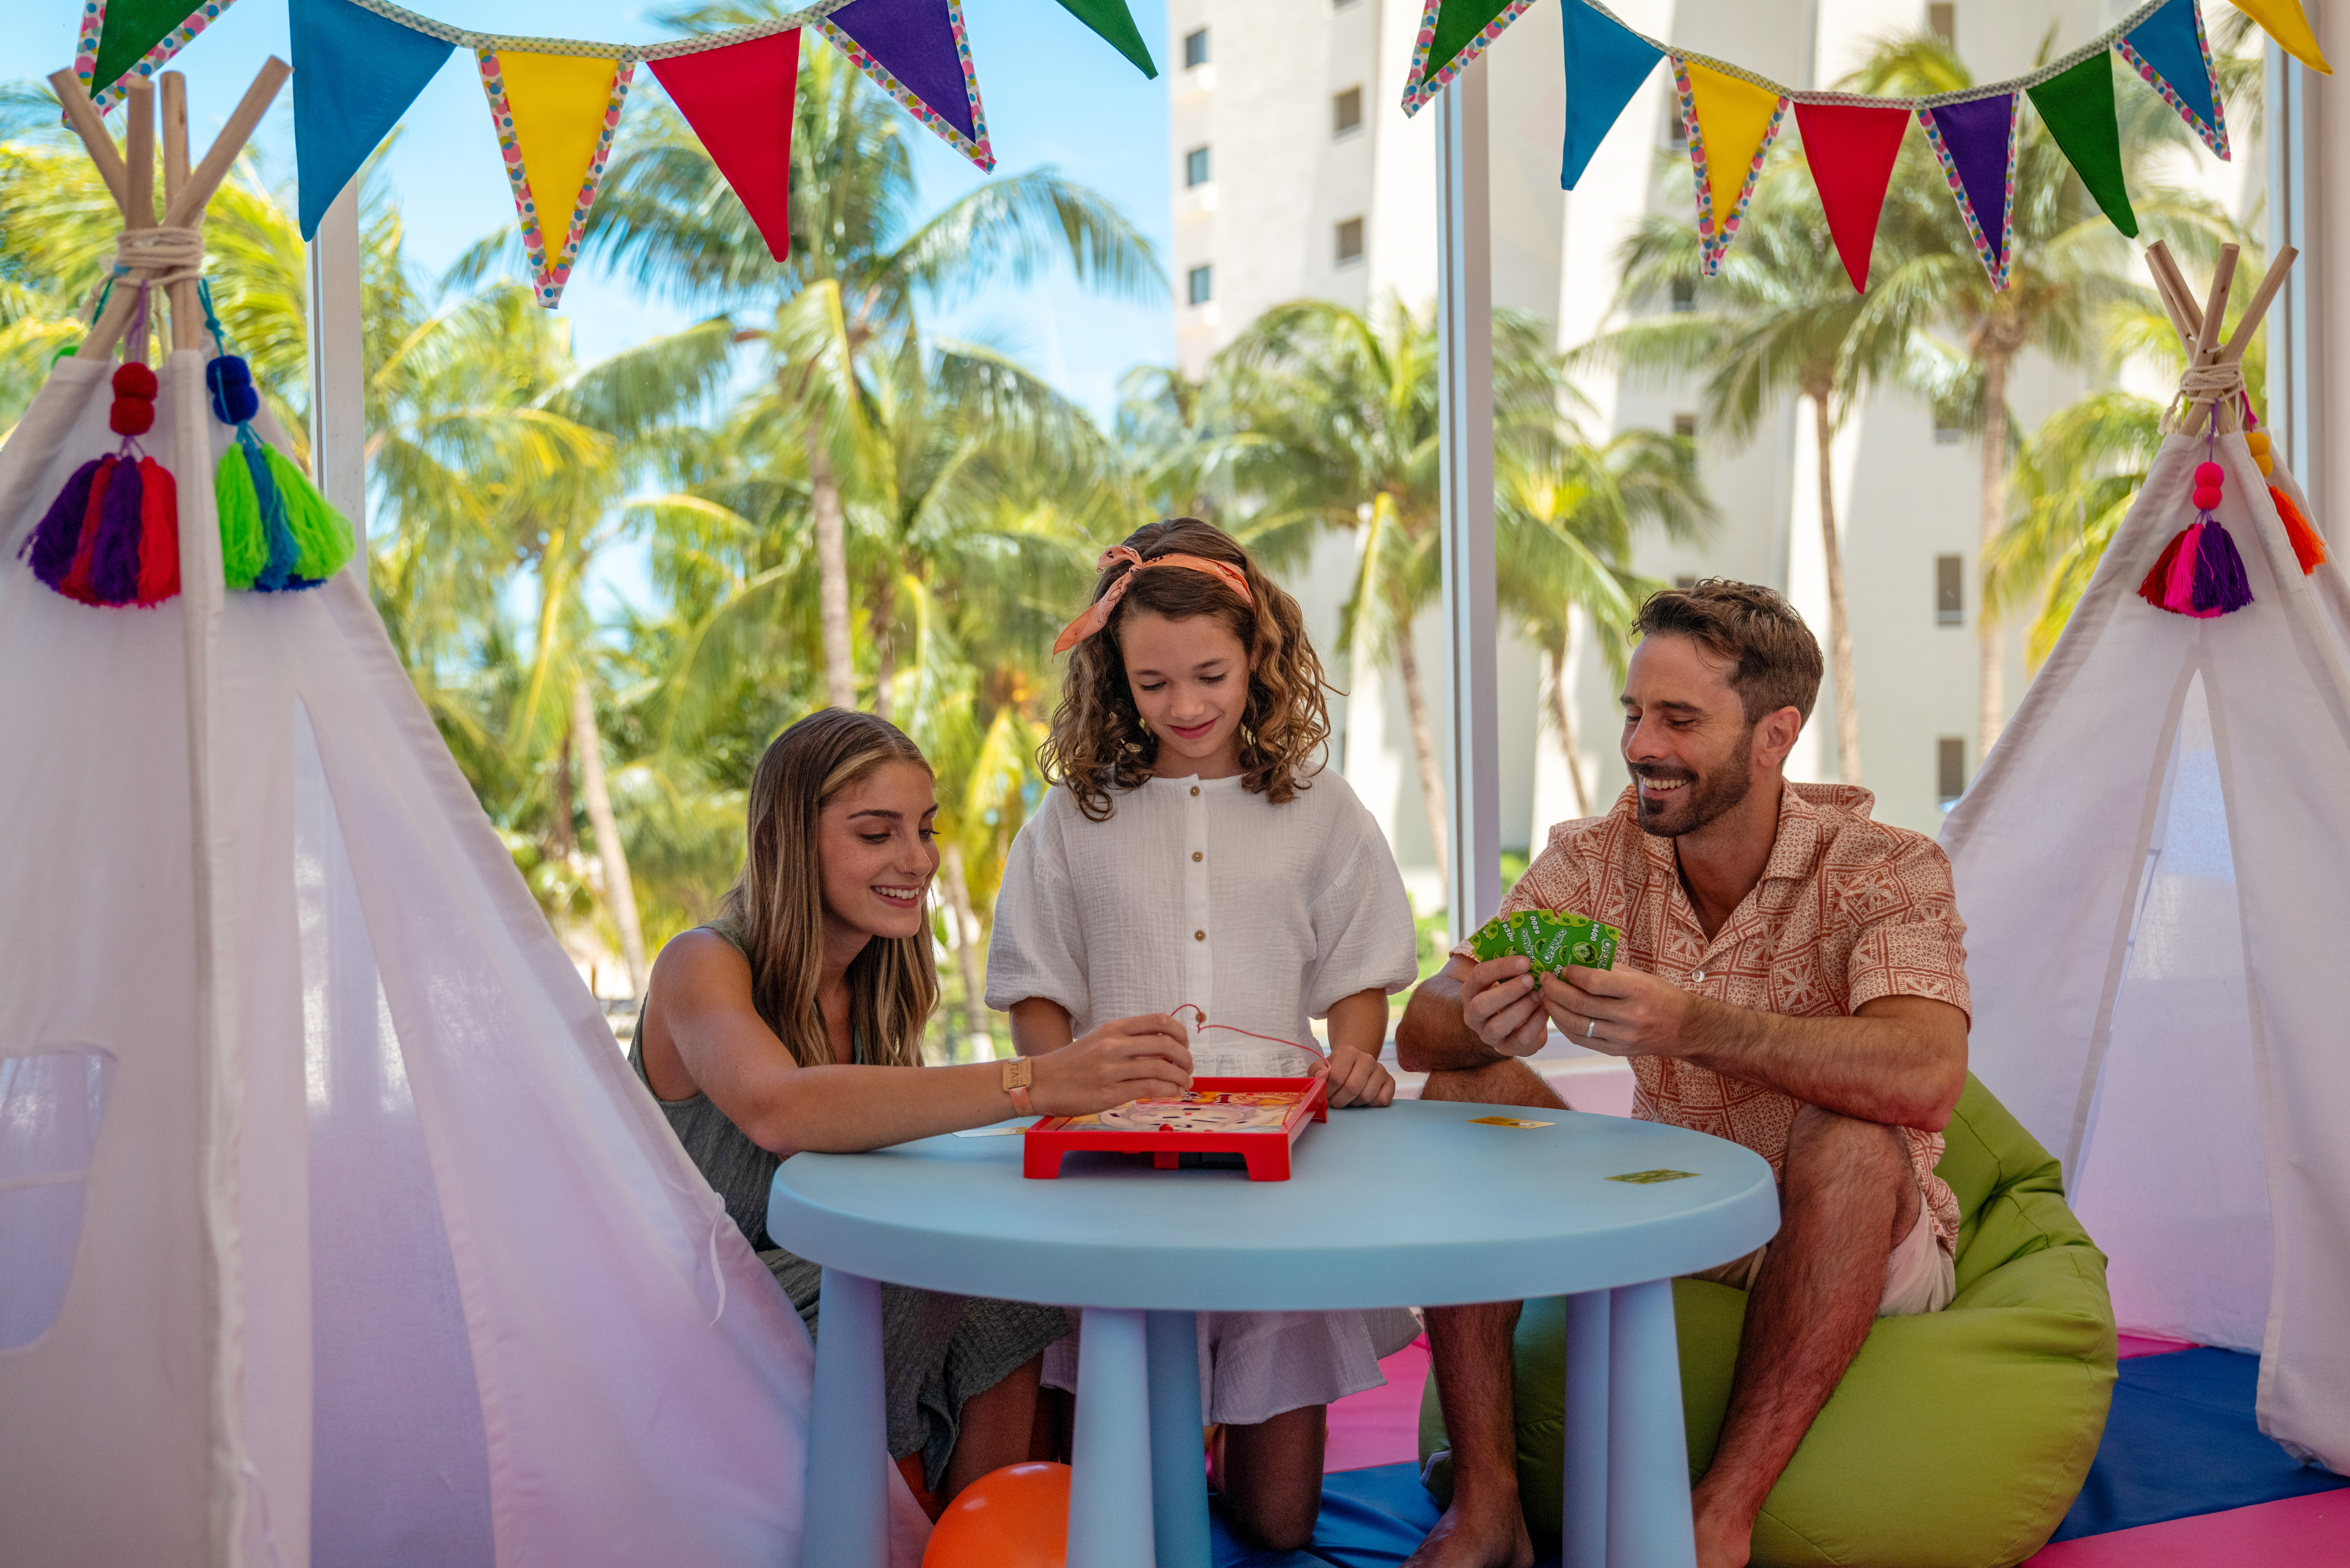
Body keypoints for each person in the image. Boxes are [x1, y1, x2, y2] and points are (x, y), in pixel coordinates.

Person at [1397, 581, 1971, 1568]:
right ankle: (1490, 1499)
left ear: (1774, 735)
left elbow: (1925, 1076)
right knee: (1462, 1094)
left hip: (1843, 1223)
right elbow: (1422, 1031)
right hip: (1668, 1200)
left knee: (1852, 1137)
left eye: (1679, 718)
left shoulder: (1886, 864)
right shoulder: (1594, 854)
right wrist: (1478, 1019)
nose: (1641, 745)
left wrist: (1696, 1026)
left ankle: (1721, 1518)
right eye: (1632, 712)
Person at [632, 708, 1195, 1509]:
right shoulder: (700, 963)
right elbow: (781, 1109)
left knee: (1008, 1275)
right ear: (789, 840)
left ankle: (976, 1541)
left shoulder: (880, 977)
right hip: (705, 1310)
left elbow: (889, 1158)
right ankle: (893, 1536)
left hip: (820, 1271)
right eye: (877, 833)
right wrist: (1037, 1079)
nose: (918, 859)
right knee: (896, 1277)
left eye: (924, 829)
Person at [986, 518, 1423, 1549]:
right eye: (1153, 683)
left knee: (1278, 1526)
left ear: (1259, 654)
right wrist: (1062, 1082)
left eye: (1210, 674)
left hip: (1277, 1182)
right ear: (1115, 676)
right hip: (1119, 1175)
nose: (1185, 706)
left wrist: (1358, 1053)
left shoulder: (1321, 808)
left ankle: (1239, 1421)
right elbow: (1038, 987)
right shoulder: (1071, 817)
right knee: (1126, 1500)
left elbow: (1361, 972)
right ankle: (1175, 1424)